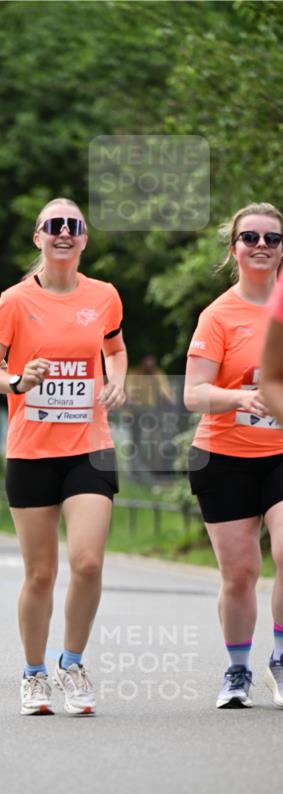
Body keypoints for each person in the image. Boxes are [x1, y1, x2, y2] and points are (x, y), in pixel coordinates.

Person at [0, 197, 127, 716]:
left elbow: (116, 348)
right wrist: (17, 380)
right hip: (32, 451)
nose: (64, 232)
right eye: (53, 225)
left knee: (87, 562)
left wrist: (119, 380)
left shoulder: (104, 296)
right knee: (40, 572)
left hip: (90, 448)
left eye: (74, 226)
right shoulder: (15, 300)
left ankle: (73, 662)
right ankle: (34, 674)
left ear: (84, 238)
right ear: (38, 237)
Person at [184, 202, 283, 709]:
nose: (261, 245)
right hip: (223, 455)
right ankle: (238, 670)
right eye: (251, 238)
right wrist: (241, 397)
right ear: (235, 249)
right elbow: (194, 394)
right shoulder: (219, 315)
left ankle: (281, 659)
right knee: (240, 573)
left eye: (272, 238)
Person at [261, 270, 283, 425]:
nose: (262, 245)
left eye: (273, 242)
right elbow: (271, 380)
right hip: (240, 445)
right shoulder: (216, 314)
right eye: (250, 242)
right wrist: (238, 397)